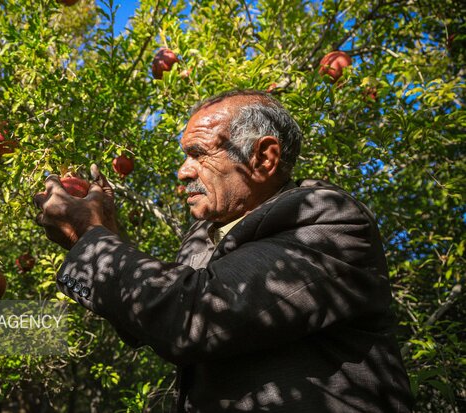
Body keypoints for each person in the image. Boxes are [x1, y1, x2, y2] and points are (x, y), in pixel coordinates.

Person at [33, 89, 413, 412]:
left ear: (263, 158)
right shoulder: (201, 237)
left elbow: (196, 317)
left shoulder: (326, 218)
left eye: (199, 154)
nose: (183, 171)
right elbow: (147, 325)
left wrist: (89, 234)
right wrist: (104, 236)